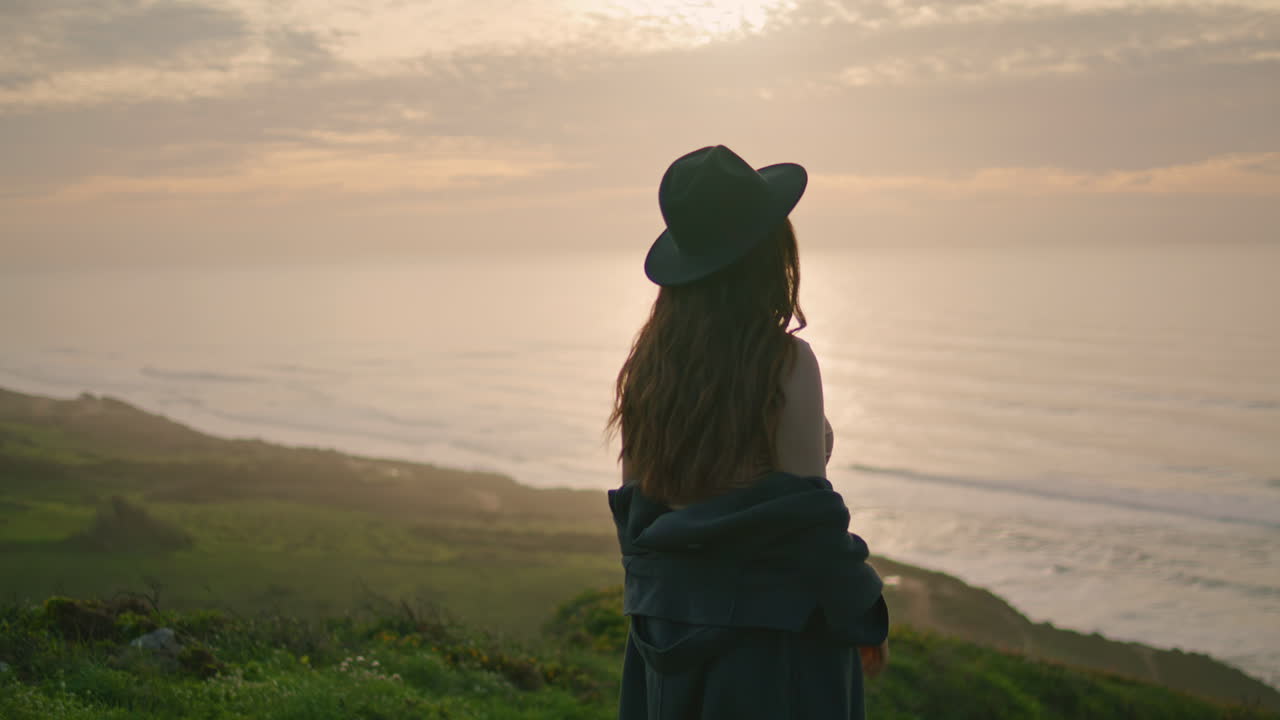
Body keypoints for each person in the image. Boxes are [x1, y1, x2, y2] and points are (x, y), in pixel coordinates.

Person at [606, 145, 890, 719]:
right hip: (772, 646)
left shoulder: (648, 370)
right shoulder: (785, 364)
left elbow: (637, 514)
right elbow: (808, 519)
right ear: (766, 256)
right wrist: (863, 611)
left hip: (667, 633)